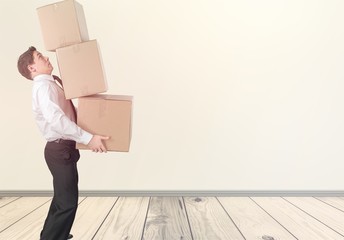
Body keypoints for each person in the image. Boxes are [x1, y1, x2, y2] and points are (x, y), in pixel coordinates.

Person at [17, 46, 109, 240]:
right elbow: (56, 120)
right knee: (67, 202)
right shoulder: (43, 87)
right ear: (32, 68)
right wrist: (88, 138)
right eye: (40, 57)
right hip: (59, 149)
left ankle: (51, 235)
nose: (46, 58)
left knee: (62, 199)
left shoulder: (50, 83)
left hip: (61, 149)